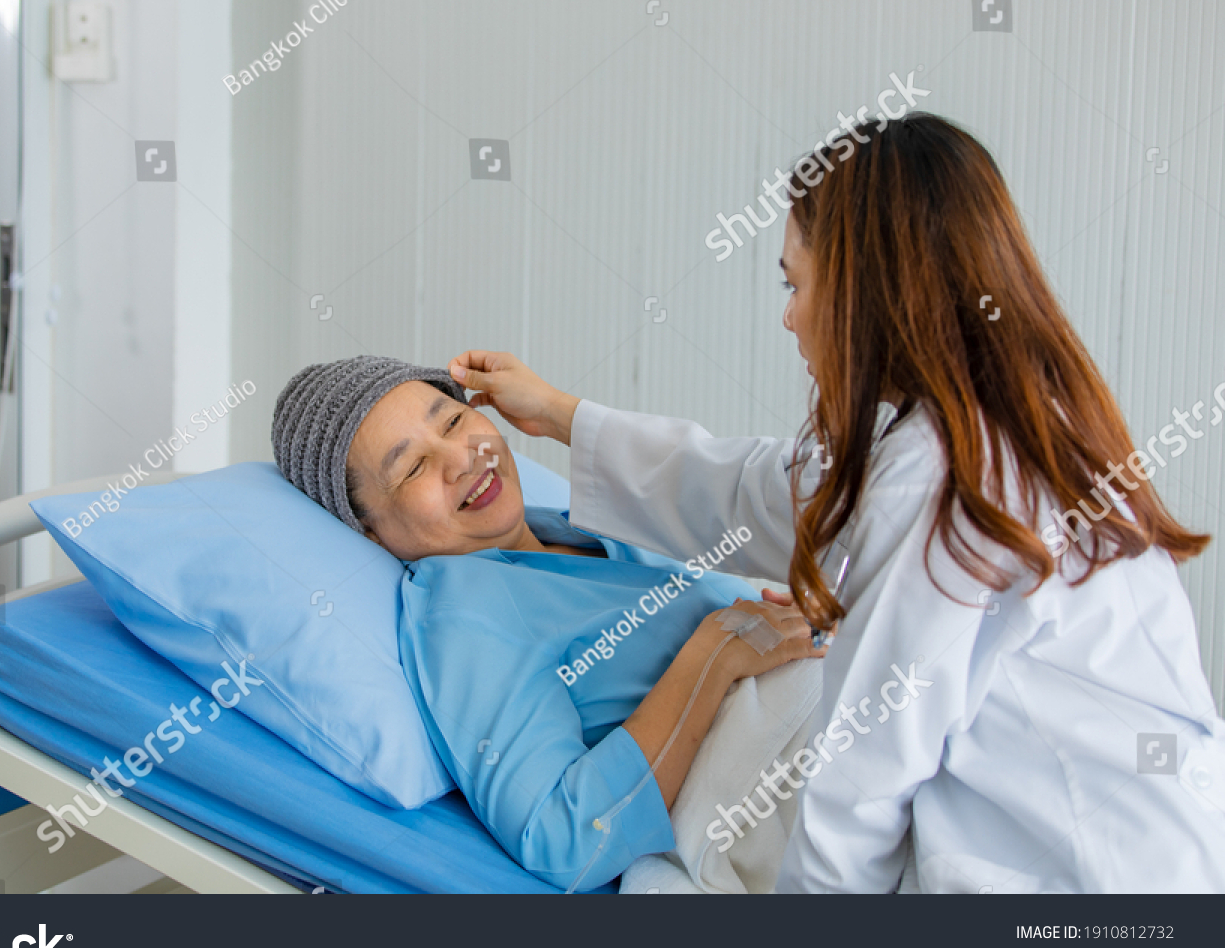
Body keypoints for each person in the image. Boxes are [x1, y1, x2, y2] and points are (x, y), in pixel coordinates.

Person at [448, 112, 1225, 893]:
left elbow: (859, 790)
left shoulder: (940, 483)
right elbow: (759, 489)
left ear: (869, 291)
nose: (789, 316)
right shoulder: (1013, 427)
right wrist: (559, 415)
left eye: (797, 284)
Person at [271, 355, 826, 890]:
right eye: (413, 466)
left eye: (456, 419)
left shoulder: (572, 526)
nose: (462, 457)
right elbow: (563, 840)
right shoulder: (462, 615)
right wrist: (711, 660)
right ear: (368, 531)